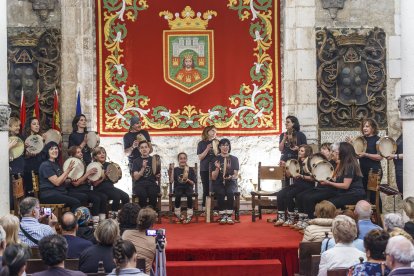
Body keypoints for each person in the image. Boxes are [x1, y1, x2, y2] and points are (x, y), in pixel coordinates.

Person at [38, 141, 87, 211]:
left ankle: (80, 217)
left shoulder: (56, 164)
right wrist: (68, 170)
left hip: (60, 192)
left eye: (56, 149)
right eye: (51, 149)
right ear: (47, 151)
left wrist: (70, 179)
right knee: (75, 202)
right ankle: (71, 220)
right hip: (50, 194)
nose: (55, 151)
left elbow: (62, 180)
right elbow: (57, 182)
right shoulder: (46, 165)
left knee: (83, 197)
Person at [296, 143, 339, 219]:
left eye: (325, 149)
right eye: (321, 149)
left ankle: (311, 219)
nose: (322, 151)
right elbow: (314, 178)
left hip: (330, 189)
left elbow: (335, 179)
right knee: (300, 196)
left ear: (330, 152)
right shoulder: (319, 163)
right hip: (320, 187)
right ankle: (302, 219)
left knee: (309, 198)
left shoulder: (334, 163)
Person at [66, 145, 108, 225]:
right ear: (72, 155)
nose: (81, 154)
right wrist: (87, 174)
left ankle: (102, 221)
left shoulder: (82, 164)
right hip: (75, 191)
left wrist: (100, 176)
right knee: (96, 199)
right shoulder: (70, 166)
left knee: (103, 196)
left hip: (85, 189)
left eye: (81, 152)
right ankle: (94, 223)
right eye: (78, 152)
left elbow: (85, 181)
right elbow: (76, 183)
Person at [274, 144, 314, 227]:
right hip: (297, 184)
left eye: (302, 151)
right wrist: (286, 167)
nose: (299, 152)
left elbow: (313, 178)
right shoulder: (297, 161)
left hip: (306, 185)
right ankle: (281, 218)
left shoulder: (310, 163)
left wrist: (301, 176)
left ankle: (291, 218)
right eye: (299, 150)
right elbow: (290, 175)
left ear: (307, 153)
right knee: (280, 194)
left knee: (289, 194)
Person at [319, 142, 366, 209]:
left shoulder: (349, 165)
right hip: (347, 193)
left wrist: (329, 182)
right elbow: (339, 180)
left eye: (337, 151)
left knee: (328, 205)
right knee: (324, 200)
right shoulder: (344, 163)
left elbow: (345, 186)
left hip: (354, 195)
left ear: (343, 152)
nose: (335, 153)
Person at [349, 119, 382, 204]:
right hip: (362, 171)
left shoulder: (378, 140)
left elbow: (380, 157)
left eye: (367, 126)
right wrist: (351, 145)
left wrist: (365, 154)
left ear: (373, 128)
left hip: (375, 171)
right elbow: (357, 155)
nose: (364, 128)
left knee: (374, 195)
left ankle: (378, 215)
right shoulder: (360, 140)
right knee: (363, 195)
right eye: (363, 126)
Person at [91, 146, 129, 218]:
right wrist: (104, 176)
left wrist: (115, 177)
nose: (102, 154)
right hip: (100, 189)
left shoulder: (109, 165)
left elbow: (113, 180)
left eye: (103, 153)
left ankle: (125, 216)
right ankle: (113, 217)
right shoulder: (94, 166)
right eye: (99, 153)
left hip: (110, 188)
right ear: (95, 157)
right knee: (116, 196)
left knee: (126, 196)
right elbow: (94, 184)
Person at [211, 138, 239, 225]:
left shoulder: (234, 159)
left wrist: (231, 177)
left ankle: (230, 216)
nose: (225, 147)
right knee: (221, 192)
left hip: (230, 182)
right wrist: (217, 168)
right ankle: (223, 215)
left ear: (229, 147)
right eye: (223, 145)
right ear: (219, 147)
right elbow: (213, 177)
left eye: (227, 145)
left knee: (230, 192)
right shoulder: (215, 159)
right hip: (218, 182)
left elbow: (236, 174)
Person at [122, 207, 157, 274]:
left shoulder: (126, 233)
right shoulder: (155, 240)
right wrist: (163, 248)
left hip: (125, 273)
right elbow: (156, 262)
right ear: (152, 223)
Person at [169, 152, 196, 223]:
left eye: (184, 158)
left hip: (188, 186)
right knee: (178, 194)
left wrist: (188, 180)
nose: (183, 160)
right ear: (178, 160)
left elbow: (193, 182)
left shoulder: (190, 169)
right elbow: (171, 181)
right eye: (181, 158)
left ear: (186, 159)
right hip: (178, 187)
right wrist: (172, 171)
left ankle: (190, 212)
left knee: (189, 194)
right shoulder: (175, 170)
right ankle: (177, 211)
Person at [132, 141, 160, 210]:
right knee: (142, 195)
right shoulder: (136, 161)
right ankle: (143, 214)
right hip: (139, 184)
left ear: (149, 149)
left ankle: (151, 213)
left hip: (151, 184)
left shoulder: (153, 160)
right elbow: (136, 177)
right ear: (139, 150)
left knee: (153, 193)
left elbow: (156, 175)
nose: (144, 149)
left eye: (146, 147)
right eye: (142, 148)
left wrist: (157, 176)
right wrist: (143, 168)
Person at [197, 125, 218, 212]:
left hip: (215, 169)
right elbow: (200, 157)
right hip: (204, 169)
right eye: (212, 131)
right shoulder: (201, 143)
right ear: (207, 132)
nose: (214, 133)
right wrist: (207, 148)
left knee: (215, 188)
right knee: (206, 188)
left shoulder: (217, 142)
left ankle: (215, 209)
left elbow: (219, 155)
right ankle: (205, 209)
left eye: (215, 131)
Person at [23, 117, 44, 195]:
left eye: (38, 124)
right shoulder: (24, 139)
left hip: (40, 167)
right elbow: (21, 155)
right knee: (30, 191)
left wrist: (44, 143)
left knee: (40, 191)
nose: (37, 126)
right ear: (29, 126)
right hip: (29, 168)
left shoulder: (42, 138)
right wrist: (26, 152)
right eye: (34, 124)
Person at [8, 117, 25, 207]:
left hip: (19, 171)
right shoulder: (4, 138)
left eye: (19, 125)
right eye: (16, 126)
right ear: (9, 127)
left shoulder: (20, 137)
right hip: (11, 172)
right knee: (12, 199)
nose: (18, 127)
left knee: (20, 198)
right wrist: (9, 146)